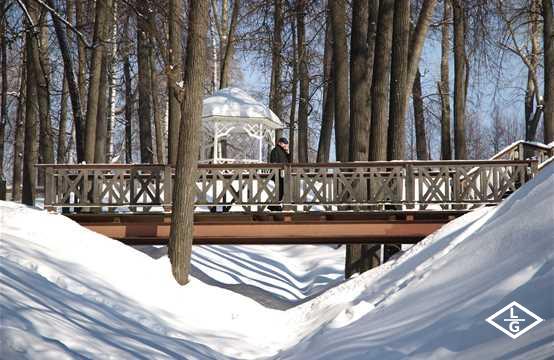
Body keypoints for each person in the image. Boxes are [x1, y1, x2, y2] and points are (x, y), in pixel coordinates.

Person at [268, 137, 290, 210]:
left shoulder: (282, 151)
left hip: (280, 173)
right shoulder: (276, 151)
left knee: (281, 188)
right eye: (285, 144)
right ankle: (274, 204)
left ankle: (275, 204)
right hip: (276, 173)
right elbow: (274, 162)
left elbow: (287, 161)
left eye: (286, 144)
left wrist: (287, 153)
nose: (286, 145)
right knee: (280, 188)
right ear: (280, 143)